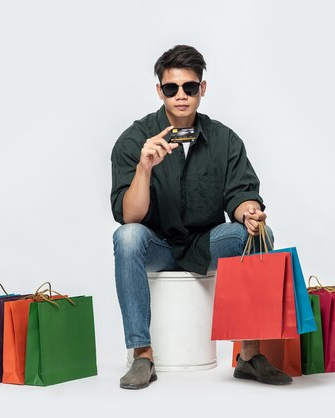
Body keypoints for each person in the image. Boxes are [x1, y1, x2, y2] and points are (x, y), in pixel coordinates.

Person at [110, 45, 292, 389]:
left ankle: (249, 356)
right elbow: (128, 216)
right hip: (157, 245)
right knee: (127, 237)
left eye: (189, 87)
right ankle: (142, 354)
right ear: (159, 91)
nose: (181, 96)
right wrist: (144, 168)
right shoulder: (135, 139)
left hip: (205, 244)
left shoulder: (224, 139)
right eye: (171, 88)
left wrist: (249, 211)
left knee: (256, 234)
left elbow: (241, 193)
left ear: (202, 89)